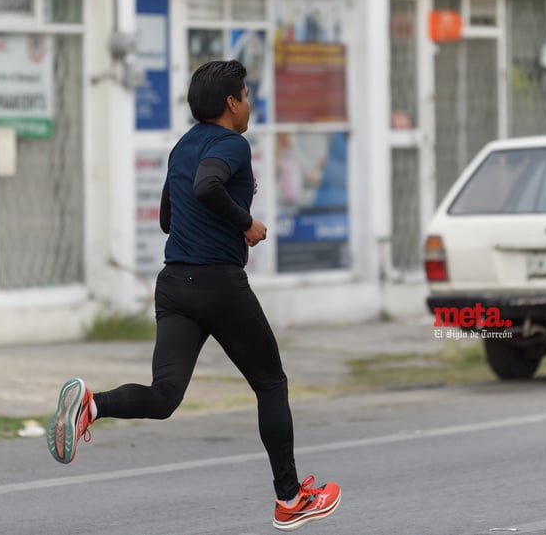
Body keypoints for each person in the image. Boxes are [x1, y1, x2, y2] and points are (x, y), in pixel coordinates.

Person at [46, 59, 341, 531]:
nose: (250, 104)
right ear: (231, 103)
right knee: (271, 384)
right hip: (218, 285)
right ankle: (290, 497)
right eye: (247, 95)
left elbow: (169, 217)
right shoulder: (232, 143)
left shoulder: (182, 147)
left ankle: (91, 405)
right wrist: (245, 223)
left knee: (165, 396)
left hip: (175, 284)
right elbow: (206, 187)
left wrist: (219, 213)